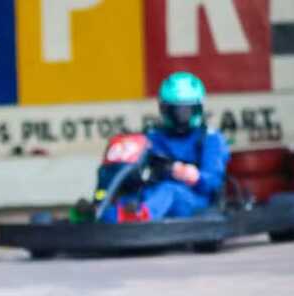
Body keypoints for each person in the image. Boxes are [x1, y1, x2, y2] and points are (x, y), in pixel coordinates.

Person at [95, 72, 230, 223]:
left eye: (186, 111)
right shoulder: (153, 137)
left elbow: (213, 181)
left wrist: (194, 176)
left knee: (168, 190)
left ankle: (140, 219)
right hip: (153, 193)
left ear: (197, 109)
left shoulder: (210, 138)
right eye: (174, 111)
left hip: (195, 199)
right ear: (164, 109)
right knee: (131, 198)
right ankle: (101, 214)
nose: (180, 116)